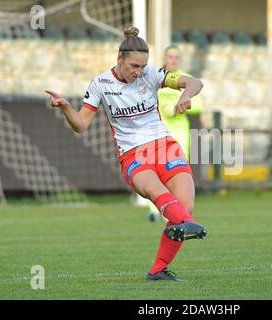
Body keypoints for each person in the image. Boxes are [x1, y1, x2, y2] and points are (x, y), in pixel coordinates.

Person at [45, 26, 207, 281]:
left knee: (185, 205)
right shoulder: (101, 83)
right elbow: (81, 125)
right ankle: (187, 225)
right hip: (133, 155)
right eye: (134, 66)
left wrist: (185, 95)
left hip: (165, 147)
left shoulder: (152, 75)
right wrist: (65, 106)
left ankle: (158, 271)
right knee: (158, 194)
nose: (138, 72)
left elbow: (195, 82)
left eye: (142, 66)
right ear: (119, 58)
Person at [147, 45, 204, 223]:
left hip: (181, 133)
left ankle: (174, 210)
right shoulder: (158, 79)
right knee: (157, 173)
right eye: (170, 56)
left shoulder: (185, 80)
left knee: (178, 174)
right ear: (165, 58)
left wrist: (186, 103)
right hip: (161, 132)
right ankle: (154, 210)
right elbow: (163, 107)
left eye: (176, 57)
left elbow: (199, 105)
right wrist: (175, 106)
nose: (173, 60)